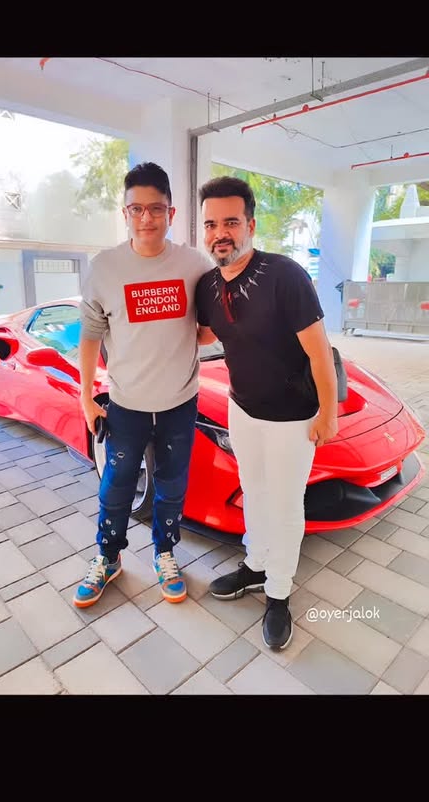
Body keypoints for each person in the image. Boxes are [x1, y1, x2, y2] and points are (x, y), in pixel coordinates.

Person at [195, 176, 338, 650]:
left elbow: (319, 351)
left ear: (250, 225)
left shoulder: (285, 275)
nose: (221, 233)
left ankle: (279, 591)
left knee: (285, 503)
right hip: (242, 409)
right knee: (253, 492)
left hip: (293, 418)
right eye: (211, 224)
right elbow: (202, 335)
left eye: (231, 222)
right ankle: (256, 565)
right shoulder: (207, 286)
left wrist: (328, 414)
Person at [73, 161, 214, 609]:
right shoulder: (105, 268)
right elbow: (90, 336)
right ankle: (108, 557)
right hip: (126, 404)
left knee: (172, 486)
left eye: (156, 209)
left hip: (179, 403)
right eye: (136, 209)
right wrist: (85, 398)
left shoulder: (195, 265)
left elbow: (206, 330)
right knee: (116, 486)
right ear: (125, 213)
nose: (146, 218)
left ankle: (165, 553)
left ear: (171, 213)